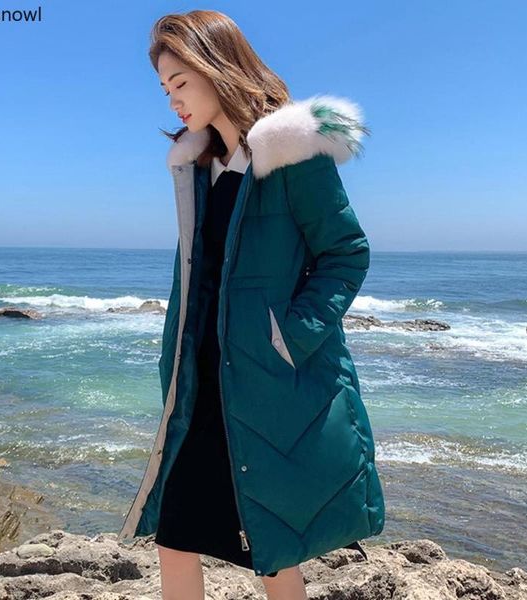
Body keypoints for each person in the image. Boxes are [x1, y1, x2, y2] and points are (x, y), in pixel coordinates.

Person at [118, 10, 386, 600]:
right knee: (175, 534)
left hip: (265, 380)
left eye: (181, 83)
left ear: (219, 68)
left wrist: (289, 338)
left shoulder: (292, 153)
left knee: (271, 544)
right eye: (164, 89)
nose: (172, 100)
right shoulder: (198, 165)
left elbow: (346, 253)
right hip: (201, 382)